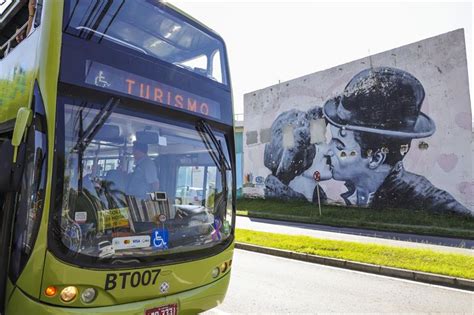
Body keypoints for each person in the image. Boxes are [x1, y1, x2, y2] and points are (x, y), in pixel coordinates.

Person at [322, 67, 471, 216]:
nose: (327, 151)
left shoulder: (433, 206)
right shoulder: (360, 192)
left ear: (375, 158)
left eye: (339, 146)